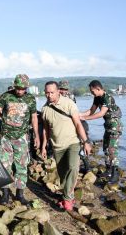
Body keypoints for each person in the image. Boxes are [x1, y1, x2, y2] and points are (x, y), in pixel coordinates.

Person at [0, 74, 40, 205]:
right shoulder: (6, 96)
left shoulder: (30, 99)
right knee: (5, 165)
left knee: (21, 166)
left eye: (23, 89)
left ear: (27, 87)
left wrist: (37, 135)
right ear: (14, 85)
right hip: (5, 137)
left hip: (21, 138)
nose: (20, 91)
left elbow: (34, 118)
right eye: (18, 88)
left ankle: (20, 194)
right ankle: (5, 194)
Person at [41, 81, 91, 211]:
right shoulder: (45, 109)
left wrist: (86, 141)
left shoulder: (69, 104)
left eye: (52, 92)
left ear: (58, 91)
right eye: (47, 92)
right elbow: (46, 130)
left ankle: (68, 200)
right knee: (63, 175)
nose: (49, 95)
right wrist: (43, 146)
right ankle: (69, 195)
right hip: (57, 146)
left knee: (73, 168)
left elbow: (78, 124)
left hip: (72, 143)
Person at [80, 80, 122, 184]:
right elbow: (91, 111)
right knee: (105, 148)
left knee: (112, 149)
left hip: (115, 126)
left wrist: (86, 118)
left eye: (92, 91)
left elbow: (101, 113)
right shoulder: (97, 98)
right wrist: (79, 115)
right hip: (108, 126)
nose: (91, 93)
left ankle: (115, 174)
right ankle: (108, 171)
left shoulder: (107, 97)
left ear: (98, 88)